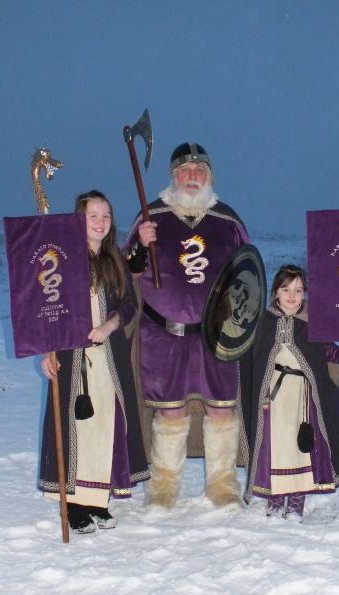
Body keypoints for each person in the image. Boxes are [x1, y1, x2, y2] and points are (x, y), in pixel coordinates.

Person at [124, 142, 249, 509]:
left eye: (200, 171)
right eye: (185, 170)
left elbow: (247, 277)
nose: (192, 176)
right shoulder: (152, 217)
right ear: (173, 175)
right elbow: (126, 270)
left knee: (222, 407)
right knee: (170, 409)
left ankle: (222, 484)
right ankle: (163, 486)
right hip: (163, 334)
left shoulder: (228, 220)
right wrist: (137, 246)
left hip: (216, 336)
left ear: (209, 176)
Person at [39, 190, 149, 533]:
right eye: (93, 216)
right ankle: (73, 503)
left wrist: (109, 324)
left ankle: (96, 499)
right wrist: (47, 350)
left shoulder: (114, 258)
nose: (101, 222)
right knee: (78, 428)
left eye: (105, 216)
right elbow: (46, 309)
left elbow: (129, 305)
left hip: (109, 357)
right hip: (73, 358)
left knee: (107, 426)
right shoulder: (62, 259)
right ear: (79, 219)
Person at [239, 264, 339, 520]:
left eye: (298, 290)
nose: (292, 296)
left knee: (301, 448)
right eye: (286, 289)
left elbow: (330, 353)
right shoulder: (261, 323)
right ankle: (274, 502)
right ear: (275, 292)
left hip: (303, 399)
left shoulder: (312, 324)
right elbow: (247, 358)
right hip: (273, 399)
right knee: (275, 448)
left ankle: (296, 503)